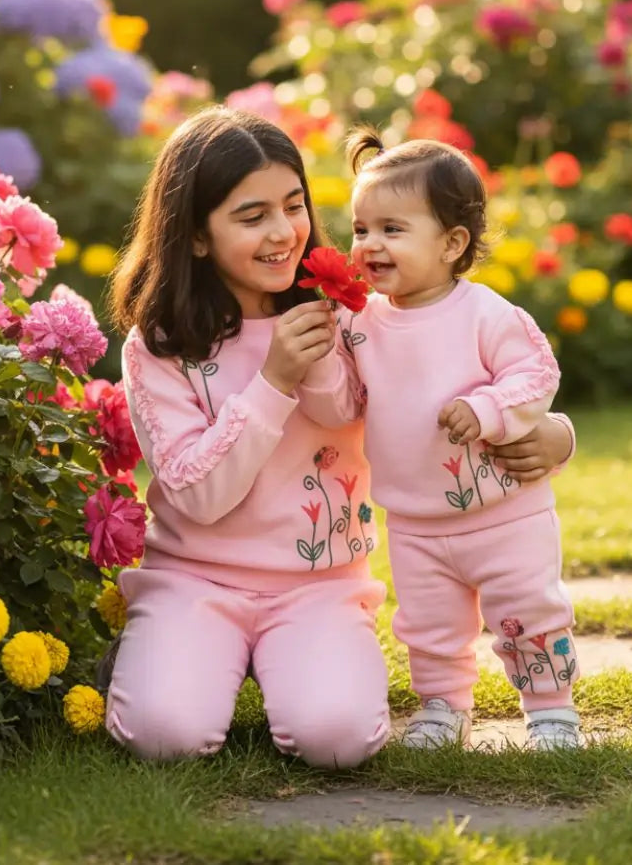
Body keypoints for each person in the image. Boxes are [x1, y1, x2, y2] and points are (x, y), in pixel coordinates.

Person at [104, 106, 575, 765]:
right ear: (198, 236)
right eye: (251, 216)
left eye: (293, 206)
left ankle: (278, 666)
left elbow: (434, 383)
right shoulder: (159, 347)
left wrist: (555, 433)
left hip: (316, 584)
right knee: (165, 735)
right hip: (195, 580)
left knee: (338, 739)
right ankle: (174, 655)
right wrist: (272, 379)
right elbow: (198, 495)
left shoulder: (346, 316)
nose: (282, 233)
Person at [343, 131, 581, 751]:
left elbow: (537, 375)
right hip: (416, 519)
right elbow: (341, 397)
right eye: (360, 228)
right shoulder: (360, 323)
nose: (370, 244)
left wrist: (488, 409)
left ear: (452, 244)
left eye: (392, 229)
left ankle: (550, 708)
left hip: (505, 511)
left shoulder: (486, 315)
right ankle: (444, 707)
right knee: (429, 626)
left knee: (530, 611)